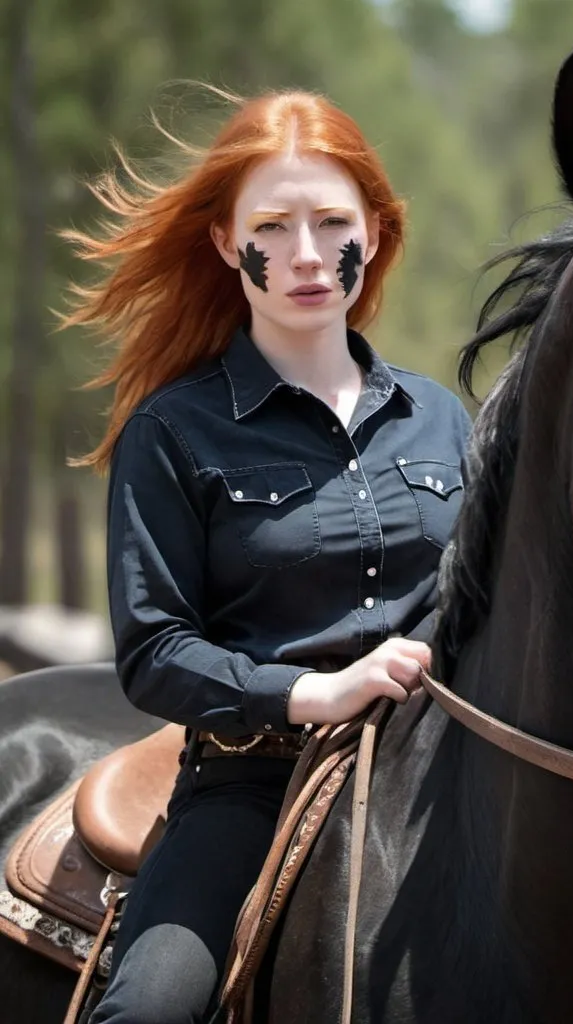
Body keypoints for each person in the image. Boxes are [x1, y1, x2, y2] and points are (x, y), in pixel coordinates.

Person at [62, 89, 472, 1024]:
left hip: (448, 776)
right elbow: (154, 650)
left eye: (332, 222)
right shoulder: (172, 430)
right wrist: (308, 693)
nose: (305, 255)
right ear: (222, 243)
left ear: (374, 229)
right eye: (272, 226)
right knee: (150, 1015)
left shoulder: (443, 418)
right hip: (253, 783)